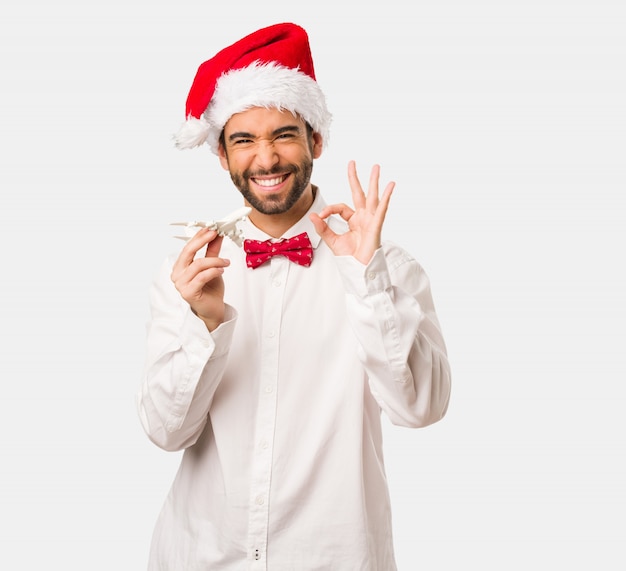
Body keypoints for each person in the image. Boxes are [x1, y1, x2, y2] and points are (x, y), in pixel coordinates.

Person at [137, 22, 451, 570]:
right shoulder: (188, 274)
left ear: (317, 141)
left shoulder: (387, 268)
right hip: (200, 557)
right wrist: (206, 324)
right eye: (243, 140)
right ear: (221, 155)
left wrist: (366, 279)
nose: (266, 159)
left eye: (284, 134)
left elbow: (421, 408)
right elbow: (166, 432)